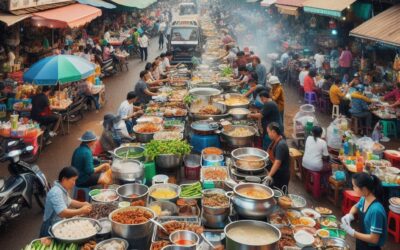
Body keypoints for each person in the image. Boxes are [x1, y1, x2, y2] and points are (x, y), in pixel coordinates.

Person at [39, 166, 92, 237]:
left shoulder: (62, 188)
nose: (74, 183)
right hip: (50, 229)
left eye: (75, 180)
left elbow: (69, 201)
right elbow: (62, 213)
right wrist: (81, 210)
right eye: (73, 180)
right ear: (64, 179)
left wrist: (83, 204)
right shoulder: (56, 192)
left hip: (59, 224)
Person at [341, 173, 387, 250]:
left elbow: (374, 239)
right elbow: (356, 206)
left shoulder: (376, 211)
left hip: (370, 247)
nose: (353, 188)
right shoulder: (364, 198)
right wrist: (350, 215)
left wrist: (352, 232)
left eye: (355, 186)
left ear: (364, 189)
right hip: (361, 241)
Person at [263, 122, 290, 191]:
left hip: (281, 175)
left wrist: (269, 175)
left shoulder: (281, 145)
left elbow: (277, 162)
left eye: (268, 132)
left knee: (281, 194)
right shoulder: (276, 140)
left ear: (273, 132)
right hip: (277, 173)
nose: (268, 134)